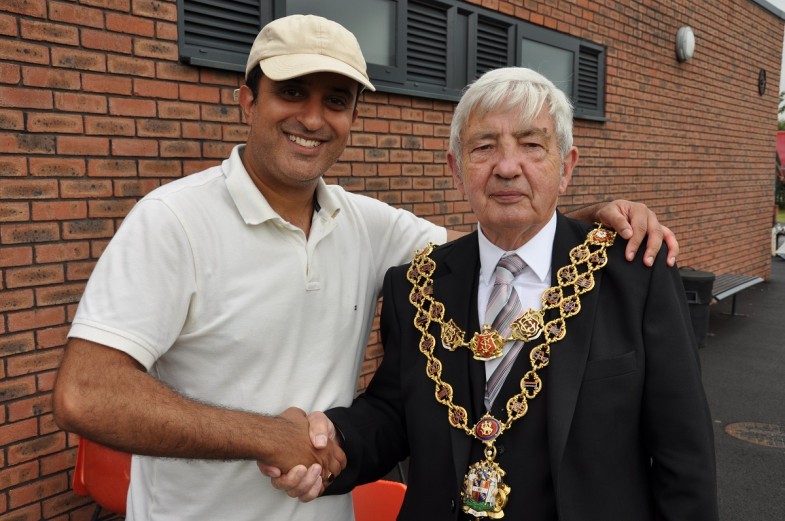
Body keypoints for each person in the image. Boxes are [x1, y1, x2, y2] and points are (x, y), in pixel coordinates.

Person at [53, 14, 678, 521]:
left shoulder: (371, 227)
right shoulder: (173, 221)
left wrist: (591, 220)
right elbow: (86, 394)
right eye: (291, 91)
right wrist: (269, 436)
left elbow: (508, 241)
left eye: (337, 99)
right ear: (246, 97)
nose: (313, 117)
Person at [279, 67, 718, 520]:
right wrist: (332, 440)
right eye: (484, 147)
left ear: (565, 166)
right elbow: (395, 412)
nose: (507, 167)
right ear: (456, 170)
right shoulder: (415, 286)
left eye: (532, 145)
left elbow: (683, 456)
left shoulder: (635, 276)